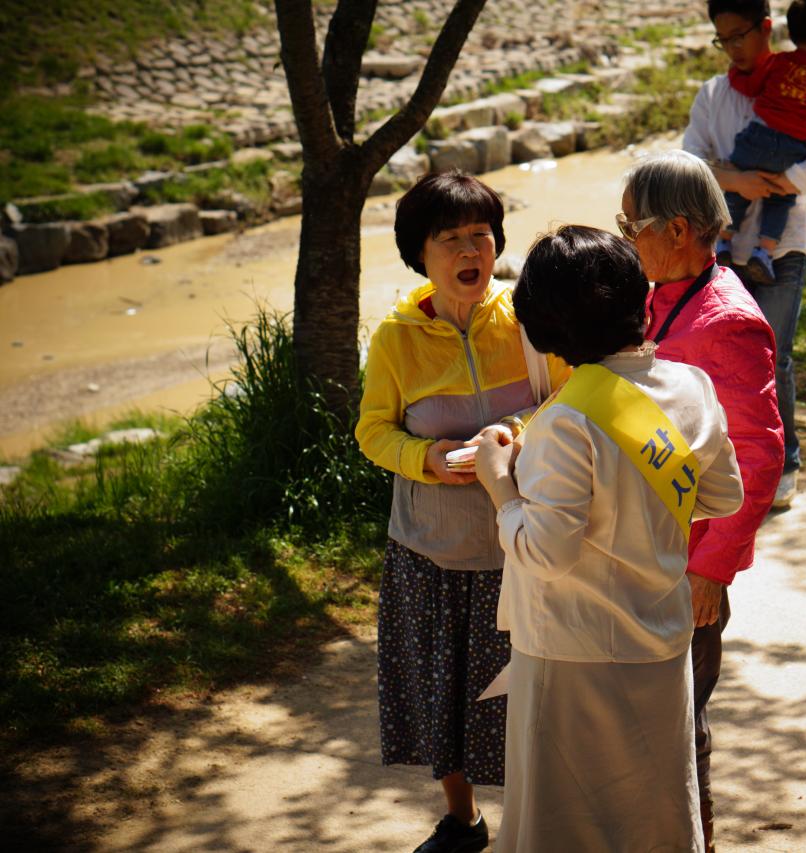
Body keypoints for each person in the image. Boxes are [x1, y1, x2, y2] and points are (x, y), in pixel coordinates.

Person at [472, 225, 745, 853]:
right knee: (653, 810)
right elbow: (724, 495)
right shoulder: (691, 387)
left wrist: (498, 483)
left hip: (571, 650)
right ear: (638, 299)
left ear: (546, 327)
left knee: (565, 820)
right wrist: (645, 508)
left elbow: (545, 551)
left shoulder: (566, 422)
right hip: (660, 637)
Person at [355, 171, 570, 853]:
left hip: (521, 548)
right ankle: (464, 821)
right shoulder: (396, 338)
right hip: (430, 553)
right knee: (441, 697)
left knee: (533, 699)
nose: (470, 249)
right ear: (419, 253)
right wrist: (428, 457)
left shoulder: (529, 320)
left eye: (481, 233)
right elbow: (372, 432)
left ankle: (536, 827)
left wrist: (517, 433)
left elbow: (569, 401)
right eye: (450, 238)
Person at [620, 150, 782, 852]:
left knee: (682, 733)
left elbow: (759, 457)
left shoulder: (728, 322)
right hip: (644, 552)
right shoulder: (658, 293)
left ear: (679, 230)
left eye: (631, 225)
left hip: (687, 567)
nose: (625, 238)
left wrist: (711, 570)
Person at [686, 0, 806, 509]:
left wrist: (768, 183)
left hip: (784, 244)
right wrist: (738, 181)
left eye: (739, 36)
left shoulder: (804, 83)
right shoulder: (713, 95)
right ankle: (736, 465)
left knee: (775, 355)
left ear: (767, 28)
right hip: (723, 249)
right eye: (722, 39)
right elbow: (689, 163)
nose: (732, 49)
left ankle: (785, 461)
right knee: (723, 359)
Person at [718, 0, 806, 285]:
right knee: (781, 199)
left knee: (736, 191)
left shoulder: (778, 62)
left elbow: (750, 86)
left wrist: (733, 72)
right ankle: (764, 252)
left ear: (791, 33)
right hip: (791, 150)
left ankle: (723, 243)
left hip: (757, 138)